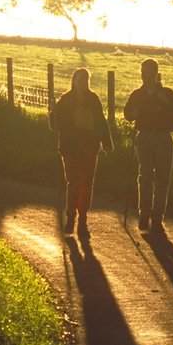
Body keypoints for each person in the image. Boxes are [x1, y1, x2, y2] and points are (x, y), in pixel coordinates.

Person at [123, 58, 173, 234]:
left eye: (148, 72)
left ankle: (157, 217)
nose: (144, 75)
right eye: (143, 72)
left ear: (155, 74)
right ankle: (144, 215)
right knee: (146, 175)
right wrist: (131, 114)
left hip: (163, 137)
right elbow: (127, 113)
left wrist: (166, 104)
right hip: (144, 136)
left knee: (162, 178)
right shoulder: (137, 94)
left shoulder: (167, 94)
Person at [49, 68, 114, 235]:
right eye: (79, 80)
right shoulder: (66, 100)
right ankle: (71, 218)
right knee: (74, 182)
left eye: (85, 81)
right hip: (70, 147)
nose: (82, 84)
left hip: (89, 147)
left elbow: (100, 122)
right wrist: (53, 112)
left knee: (87, 183)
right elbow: (55, 125)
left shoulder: (93, 100)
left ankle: (83, 217)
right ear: (74, 81)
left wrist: (107, 143)